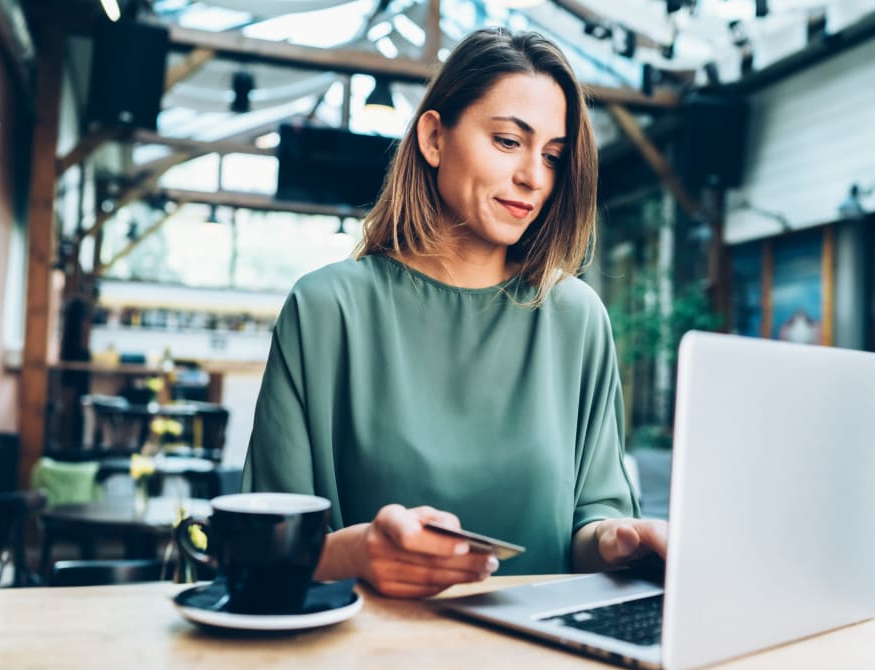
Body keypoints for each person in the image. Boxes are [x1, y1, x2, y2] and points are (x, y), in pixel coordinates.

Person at [243, 27, 667, 598]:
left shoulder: (576, 317)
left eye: (553, 156)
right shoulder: (326, 309)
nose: (534, 178)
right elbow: (261, 549)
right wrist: (355, 553)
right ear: (435, 137)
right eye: (508, 142)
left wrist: (620, 538)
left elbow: (592, 519)